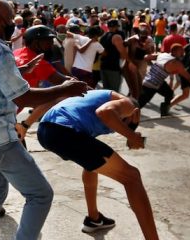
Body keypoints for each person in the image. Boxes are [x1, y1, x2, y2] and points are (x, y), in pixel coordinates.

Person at [0, 0, 88, 240]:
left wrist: (20, 71)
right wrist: (66, 89)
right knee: (40, 195)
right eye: (9, 19)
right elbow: (24, 98)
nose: (13, 25)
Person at [26, 90, 158, 238]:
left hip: (46, 131)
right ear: (135, 114)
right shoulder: (127, 104)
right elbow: (105, 112)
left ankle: (93, 219)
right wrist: (132, 136)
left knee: (91, 166)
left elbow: (91, 161)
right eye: (127, 122)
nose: (120, 127)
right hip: (63, 131)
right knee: (132, 177)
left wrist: (130, 134)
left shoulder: (91, 104)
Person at [138, 44, 190, 116]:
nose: (183, 54)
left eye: (183, 52)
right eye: (181, 52)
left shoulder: (162, 55)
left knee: (169, 93)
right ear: (174, 51)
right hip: (152, 85)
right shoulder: (176, 63)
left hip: (151, 80)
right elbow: (189, 78)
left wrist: (154, 66)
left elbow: (146, 57)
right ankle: (128, 118)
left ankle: (164, 110)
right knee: (139, 104)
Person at [98, 19, 126, 92]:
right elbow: (122, 52)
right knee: (114, 92)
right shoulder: (116, 37)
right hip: (113, 68)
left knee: (106, 91)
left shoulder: (103, 36)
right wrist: (125, 64)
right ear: (116, 27)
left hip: (103, 66)